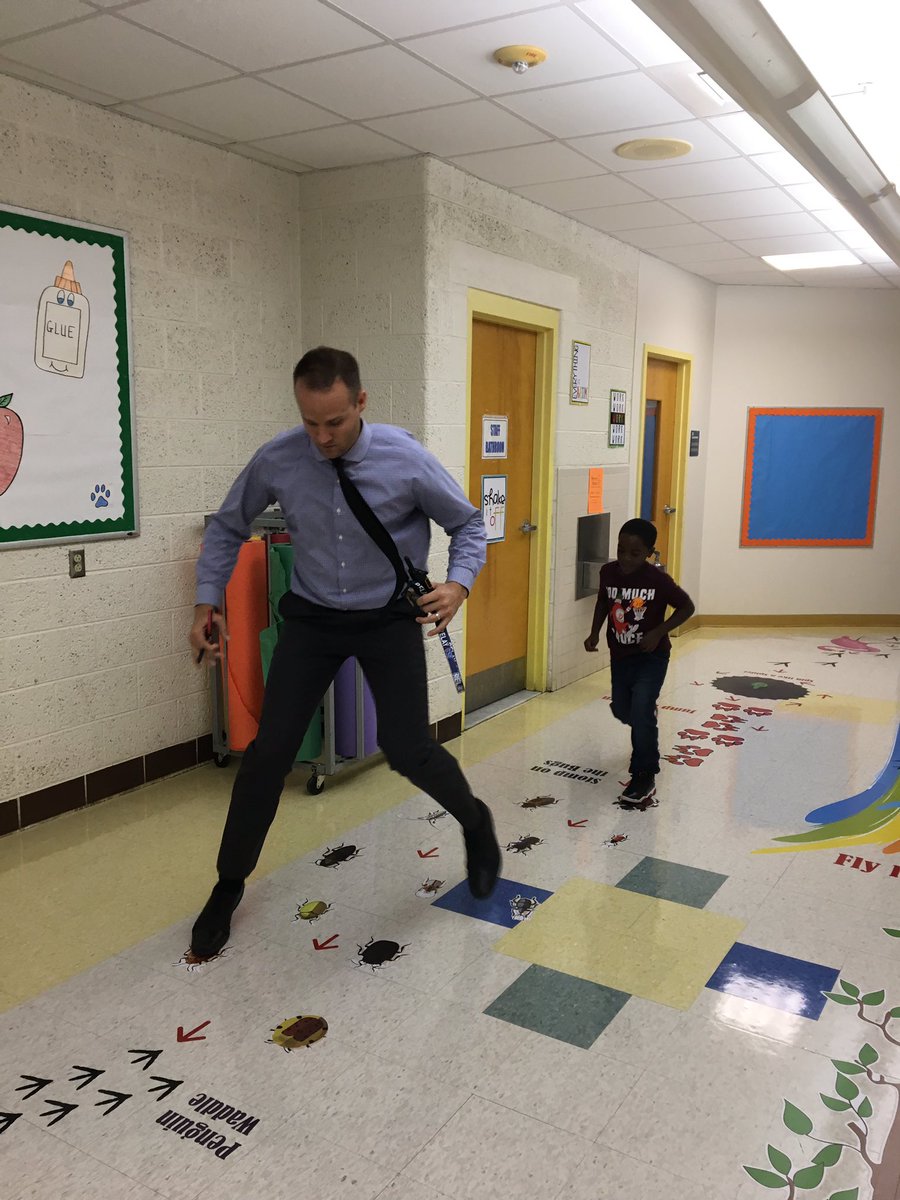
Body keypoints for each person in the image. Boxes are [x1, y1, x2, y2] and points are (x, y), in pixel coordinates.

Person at [189, 346, 501, 958]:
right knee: (268, 752)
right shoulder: (279, 457)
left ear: (360, 402)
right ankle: (228, 886)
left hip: (386, 617)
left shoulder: (404, 457)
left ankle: (475, 822)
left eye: (334, 422)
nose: (322, 436)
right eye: (310, 422)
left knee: (409, 749)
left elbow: (468, 525)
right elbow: (228, 526)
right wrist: (207, 600)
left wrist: (458, 584)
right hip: (313, 619)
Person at [584, 518, 695, 803]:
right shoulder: (608, 572)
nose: (625, 558)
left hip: (651, 657)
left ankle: (644, 773)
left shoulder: (656, 580)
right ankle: (644, 716)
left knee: (642, 709)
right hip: (621, 656)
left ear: (648, 552)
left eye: (634, 553)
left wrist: (659, 632)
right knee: (624, 710)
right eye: (621, 550)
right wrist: (594, 632)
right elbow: (603, 602)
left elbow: (686, 606)